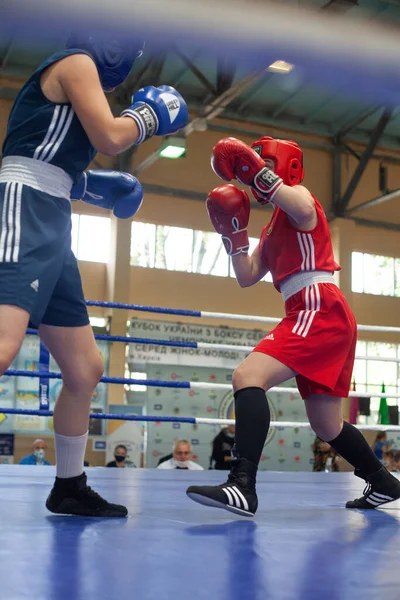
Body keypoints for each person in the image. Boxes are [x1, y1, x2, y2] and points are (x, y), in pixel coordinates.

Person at [0, 31, 188, 517]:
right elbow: (109, 136)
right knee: (3, 345)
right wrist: (148, 117)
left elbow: (49, 150)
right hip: (24, 205)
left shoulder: (81, 80)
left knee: (85, 370)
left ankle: (68, 484)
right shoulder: (75, 61)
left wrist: (86, 186)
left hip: (53, 214)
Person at [186, 136, 400, 515]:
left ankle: (242, 485)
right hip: (315, 312)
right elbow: (246, 275)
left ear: (282, 167)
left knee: (247, 376)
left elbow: (299, 203)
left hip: (318, 306)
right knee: (327, 424)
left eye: (261, 162)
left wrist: (255, 173)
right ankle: (382, 481)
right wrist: (232, 234)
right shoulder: (270, 230)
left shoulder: (302, 204)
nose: (253, 174)